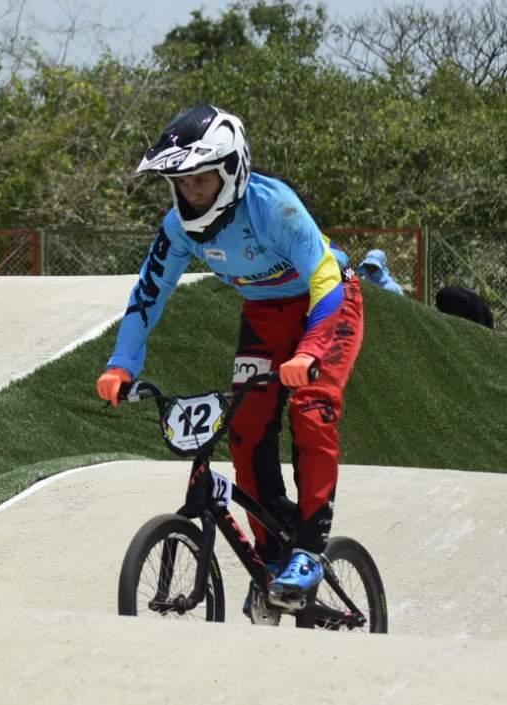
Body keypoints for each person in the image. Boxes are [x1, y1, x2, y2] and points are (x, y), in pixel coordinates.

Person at [96, 104, 365, 608]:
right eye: (182, 183)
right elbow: (149, 293)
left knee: (311, 409)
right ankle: (271, 555)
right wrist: (121, 364)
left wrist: (309, 351)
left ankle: (310, 548)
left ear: (232, 170)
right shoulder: (178, 228)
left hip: (327, 305)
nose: (191, 192)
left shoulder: (274, 207)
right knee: (244, 429)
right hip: (265, 316)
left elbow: (326, 279)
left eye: (202, 180)